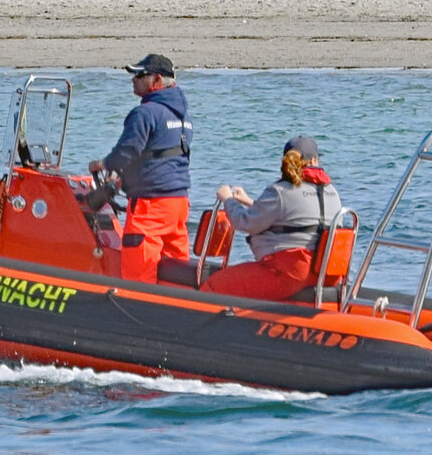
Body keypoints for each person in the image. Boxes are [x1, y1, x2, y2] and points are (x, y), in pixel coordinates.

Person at [89, 54, 192, 283]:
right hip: (178, 203)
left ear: (156, 80)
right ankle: (177, 310)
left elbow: (127, 150)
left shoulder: (145, 113)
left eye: (139, 75)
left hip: (150, 206)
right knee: (175, 272)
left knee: (139, 273)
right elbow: (161, 156)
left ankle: (136, 310)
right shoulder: (182, 115)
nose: (133, 80)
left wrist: (103, 165)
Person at [201, 136, 343, 302]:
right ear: (314, 160)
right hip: (327, 274)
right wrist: (250, 202)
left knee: (215, 285)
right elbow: (296, 217)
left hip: (291, 274)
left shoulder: (280, 191)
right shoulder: (332, 192)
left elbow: (244, 221)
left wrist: (228, 200)